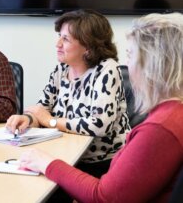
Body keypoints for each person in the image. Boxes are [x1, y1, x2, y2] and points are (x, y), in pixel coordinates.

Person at [18, 12, 183, 202]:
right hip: (70, 155)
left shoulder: (160, 128)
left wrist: (48, 163)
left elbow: (103, 197)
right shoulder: (170, 115)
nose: (127, 64)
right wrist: (30, 118)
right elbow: (42, 107)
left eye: (130, 55)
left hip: (95, 161)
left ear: (153, 64)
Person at [6, 9, 130, 179]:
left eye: (65, 39)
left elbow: (100, 125)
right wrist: (27, 119)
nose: (57, 44)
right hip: (65, 156)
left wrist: (50, 121)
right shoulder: (61, 69)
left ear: (88, 46)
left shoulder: (107, 69)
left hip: (102, 164)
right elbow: (42, 109)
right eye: (59, 36)